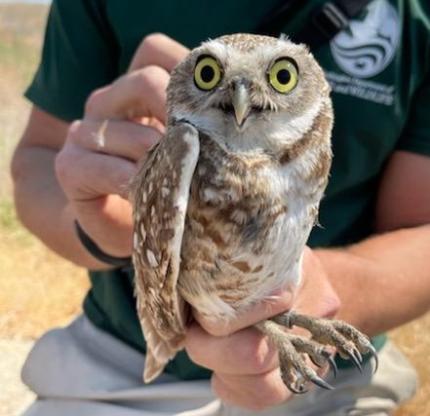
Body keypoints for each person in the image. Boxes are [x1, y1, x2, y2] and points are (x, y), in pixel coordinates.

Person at [11, 0, 430, 415]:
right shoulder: (184, 144)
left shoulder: (414, 15)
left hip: (330, 376)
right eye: (209, 74)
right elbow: (40, 157)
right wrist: (109, 228)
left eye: (282, 77)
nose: (242, 97)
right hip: (119, 368)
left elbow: (420, 232)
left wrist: (308, 296)